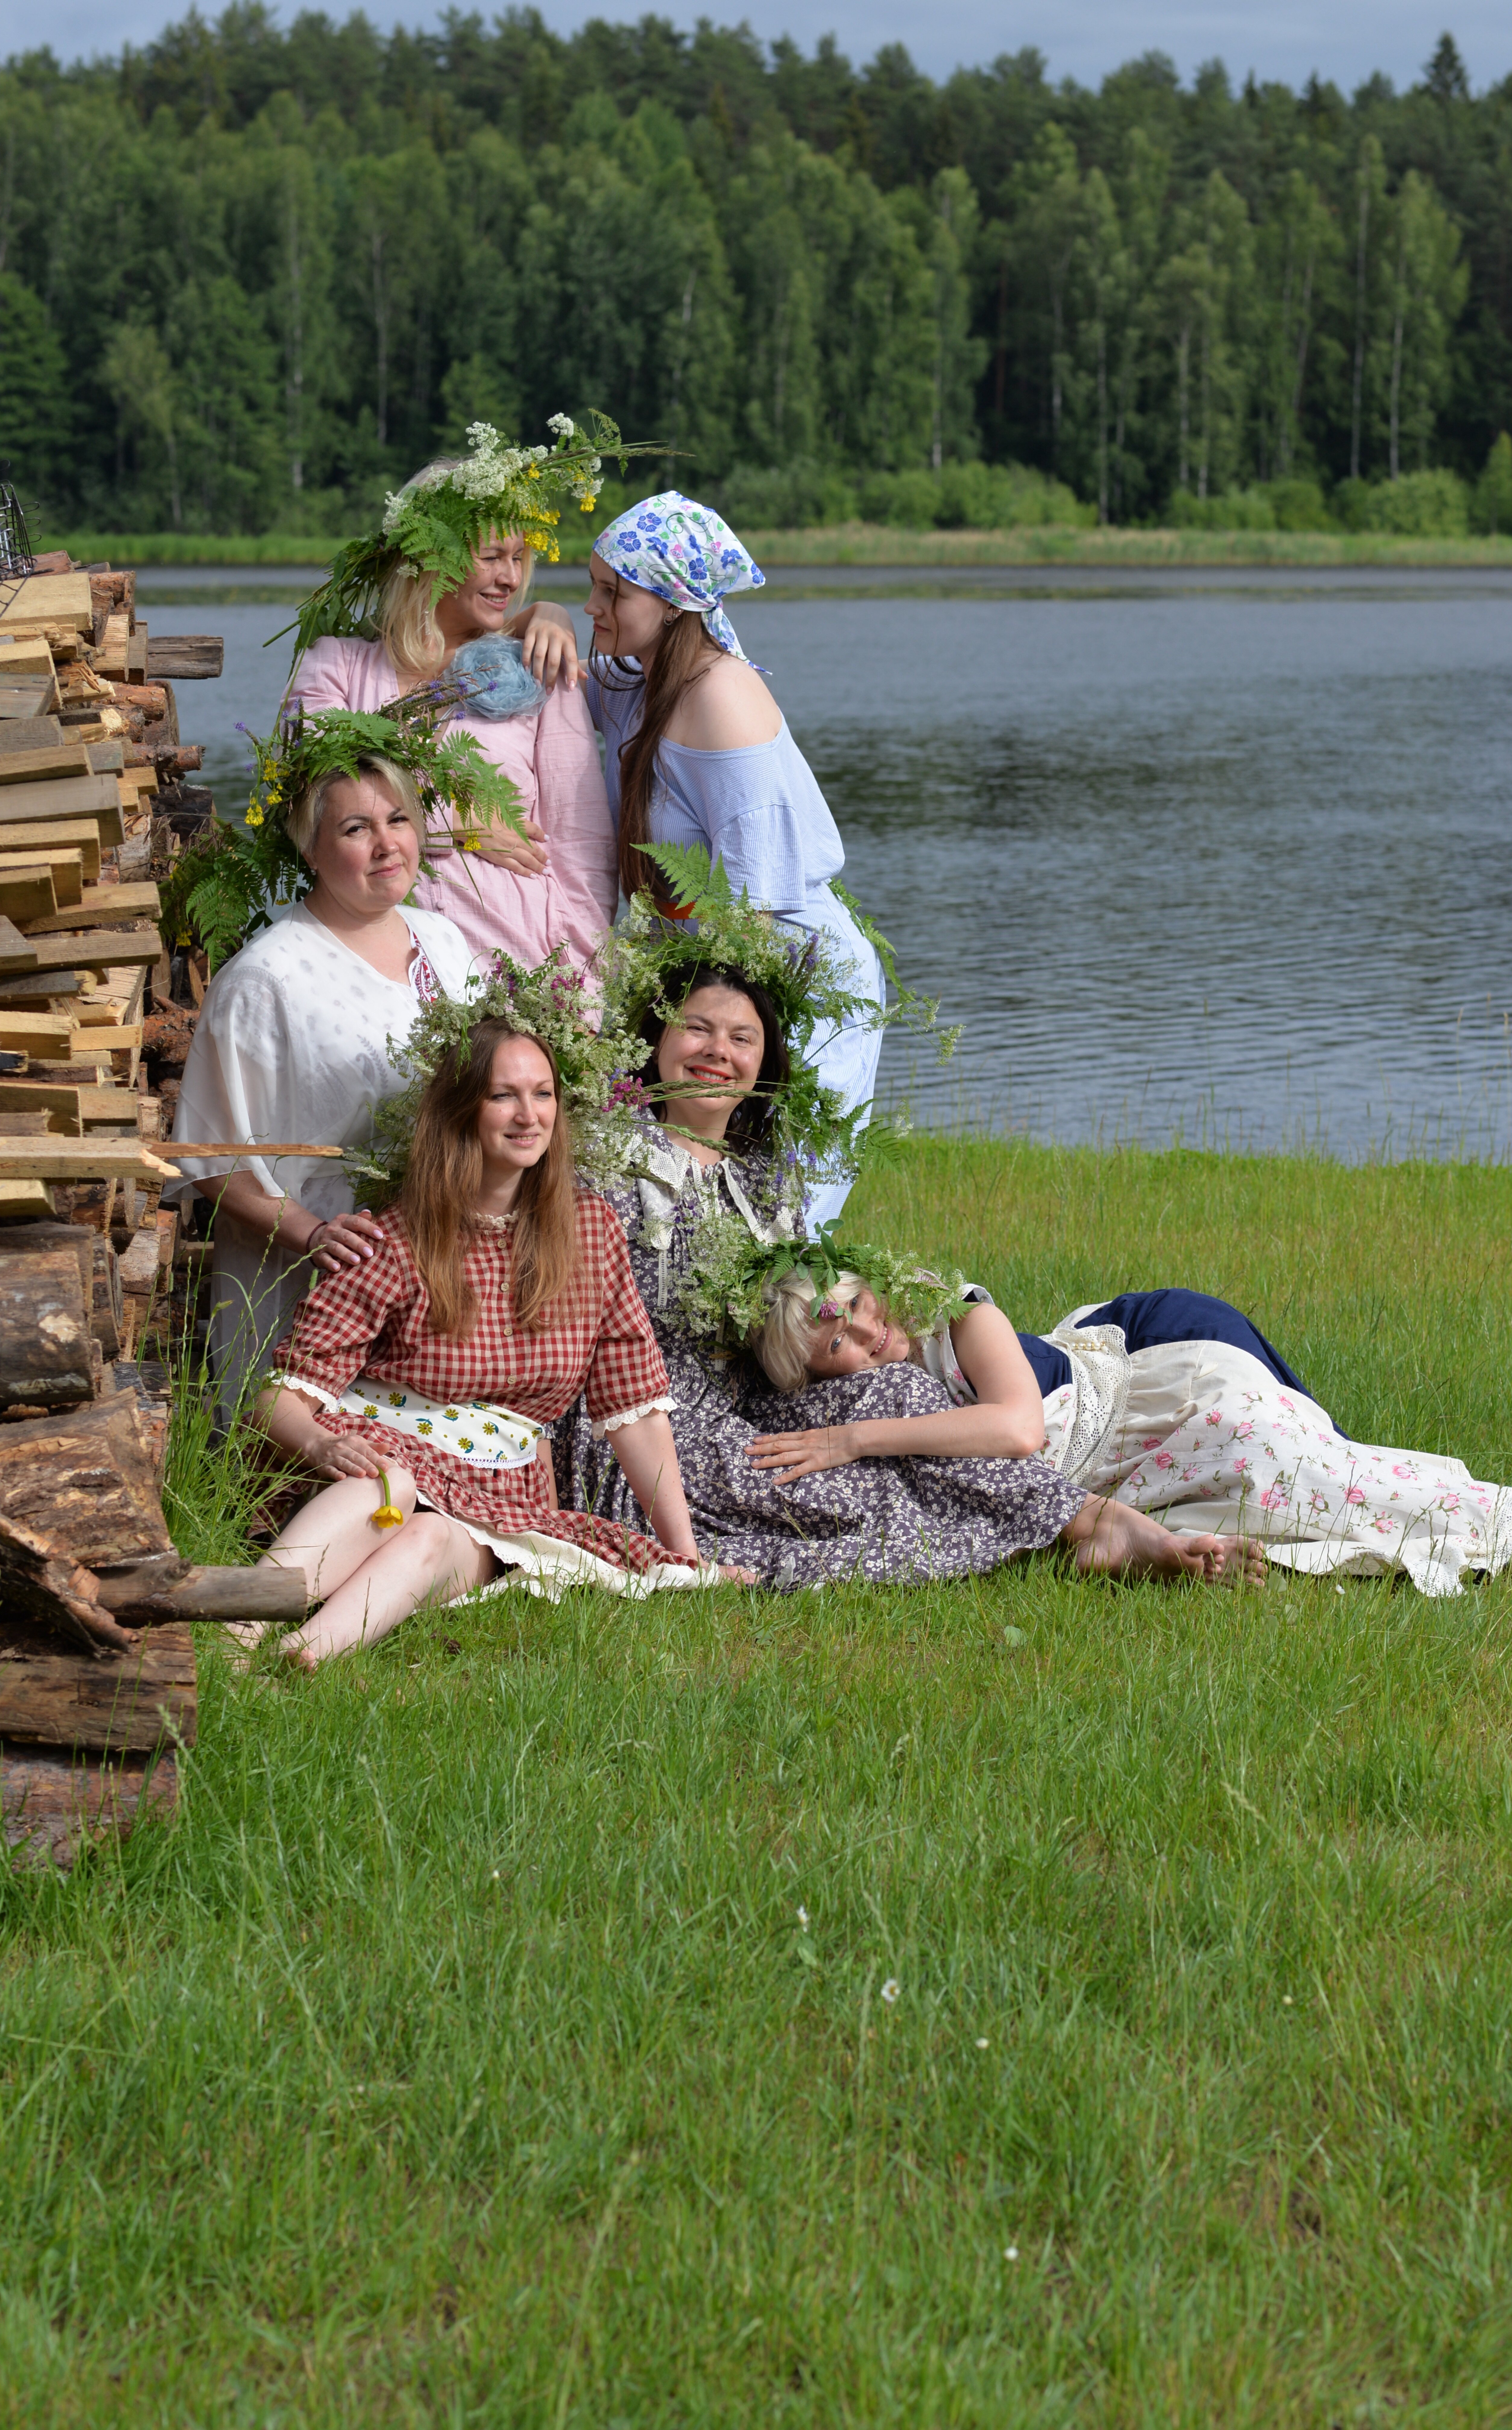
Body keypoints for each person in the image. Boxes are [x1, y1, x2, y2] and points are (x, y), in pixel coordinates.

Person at [552, 967, 1255, 1588]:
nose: (717, 1052)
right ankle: (1089, 1528)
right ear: (658, 1039)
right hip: (646, 1418)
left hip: (758, 1401)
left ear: (764, 1064)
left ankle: (1093, 1522)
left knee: (899, 1393)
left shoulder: (766, 1177)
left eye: (742, 1039)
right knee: (848, 1494)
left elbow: (804, 1320)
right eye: (697, 1028)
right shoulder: (603, 1158)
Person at [238, 1019, 736, 1670]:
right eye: (504, 1096)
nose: (529, 1115)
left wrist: (684, 1555)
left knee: (429, 1535)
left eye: (544, 1094)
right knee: (387, 1491)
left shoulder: (591, 1233)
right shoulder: (396, 1238)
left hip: (498, 1498)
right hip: (375, 1464)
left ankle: (304, 1657)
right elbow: (278, 1400)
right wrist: (323, 1443)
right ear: (462, 1111)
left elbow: (634, 1405)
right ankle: (237, 1632)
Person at [740, 1256, 1512, 1598]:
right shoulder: (880, 1396)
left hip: (1157, 1401)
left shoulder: (953, 1313)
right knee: (1269, 1520)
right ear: (820, 1378)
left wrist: (852, 1441)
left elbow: (1015, 1432)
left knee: (1307, 1472)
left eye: (853, 1307)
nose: (867, 1333)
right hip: (1121, 1478)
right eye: (837, 1346)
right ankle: (1491, 1542)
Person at [580, 492, 884, 1226]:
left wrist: (728, 1032)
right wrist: (531, 625)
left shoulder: (721, 699)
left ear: (672, 599)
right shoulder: (648, 680)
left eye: (611, 592)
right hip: (716, 980)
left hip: (791, 989)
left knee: (773, 1207)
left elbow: (758, 906)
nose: (591, 608)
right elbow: (561, 685)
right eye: (592, 587)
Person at [172, 747, 478, 1423]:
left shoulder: (444, 942)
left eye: (397, 820)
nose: (386, 845)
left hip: (440, 1249)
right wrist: (312, 1235)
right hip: (320, 1266)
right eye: (354, 830)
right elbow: (210, 1161)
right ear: (310, 848)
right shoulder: (268, 979)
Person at [286, 422, 618, 977]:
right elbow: (312, 800)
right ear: (430, 557)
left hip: (520, 969)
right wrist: (456, 823)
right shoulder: (336, 665)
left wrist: (580, 997)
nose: (510, 578)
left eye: (519, 558)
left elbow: (584, 853)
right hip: (371, 968)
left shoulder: (539, 668)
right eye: (492, 556)